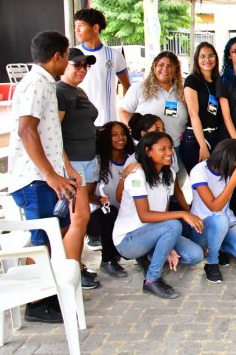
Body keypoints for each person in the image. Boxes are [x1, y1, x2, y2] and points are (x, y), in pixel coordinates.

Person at [7, 31, 79, 323]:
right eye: (67, 56)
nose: (69, 62)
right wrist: (50, 175)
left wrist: (64, 171)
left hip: (47, 176)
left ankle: (48, 293)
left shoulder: (45, 83)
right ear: (58, 56)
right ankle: (35, 303)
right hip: (34, 179)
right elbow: (27, 130)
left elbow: (50, 136)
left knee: (54, 238)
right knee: (40, 241)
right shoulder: (36, 83)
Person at [113, 131, 204, 299]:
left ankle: (150, 254)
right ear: (148, 151)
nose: (169, 152)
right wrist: (183, 214)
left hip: (153, 232)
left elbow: (164, 212)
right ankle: (151, 280)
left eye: (170, 148)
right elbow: (144, 216)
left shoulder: (170, 174)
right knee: (174, 223)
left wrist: (169, 245)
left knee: (195, 255)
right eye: (162, 149)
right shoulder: (136, 175)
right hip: (128, 239)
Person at [56, 48, 101, 289]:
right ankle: (71, 274)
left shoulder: (78, 91)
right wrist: (68, 168)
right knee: (80, 218)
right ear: (64, 64)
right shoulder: (60, 92)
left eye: (86, 66)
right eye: (77, 65)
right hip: (74, 164)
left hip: (89, 159)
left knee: (78, 219)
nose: (82, 69)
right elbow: (54, 135)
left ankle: (76, 265)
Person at [188, 140, 236, 283]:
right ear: (225, 161)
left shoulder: (233, 170)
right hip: (202, 226)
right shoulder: (199, 171)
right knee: (219, 217)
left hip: (227, 223)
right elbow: (214, 207)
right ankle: (212, 263)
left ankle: (218, 246)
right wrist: (234, 178)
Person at [91, 121, 137, 278]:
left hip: (127, 214)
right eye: (114, 135)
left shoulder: (132, 160)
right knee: (109, 211)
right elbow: (87, 194)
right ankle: (107, 260)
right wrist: (99, 201)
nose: (120, 138)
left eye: (123, 134)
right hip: (100, 216)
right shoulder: (98, 162)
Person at [120, 51, 188, 154]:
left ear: (176, 69)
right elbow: (123, 111)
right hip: (147, 149)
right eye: (161, 65)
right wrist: (136, 130)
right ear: (154, 67)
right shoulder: (139, 87)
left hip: (176, 149)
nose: (165, 69)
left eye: (169, 66)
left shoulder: (183, 91)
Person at [74, 8, 131, 126]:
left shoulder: (114, 55)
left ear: (95, 28)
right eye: (75, 26)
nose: (77, 30)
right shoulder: (73, 54)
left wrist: (125, 113)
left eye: (80, 25)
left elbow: (126, 85)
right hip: (81, 123)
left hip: (107, 122)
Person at [181, 42, 221, 174]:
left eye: (211, 56)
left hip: (216, 136)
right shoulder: (192, 80)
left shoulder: (219, 81)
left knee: (215, 181)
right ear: (197, 60)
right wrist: (202, 146)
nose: (207, 60)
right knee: (199, 182)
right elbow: (193, 114)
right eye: (202, 56)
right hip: (196, 138)